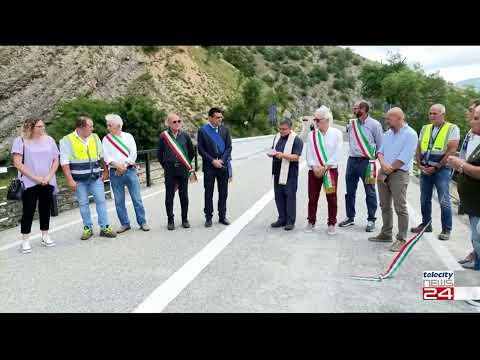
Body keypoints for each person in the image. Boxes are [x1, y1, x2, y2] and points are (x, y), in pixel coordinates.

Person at [368, 108, 418, 252]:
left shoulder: (411, 134)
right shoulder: (388, 134)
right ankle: (386, 233)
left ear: (399, 118)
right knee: (384, 205)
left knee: (400, 207)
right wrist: (383, 166)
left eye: (389, 118)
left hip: (399, 174)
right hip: (384, 172)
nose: (386, 121)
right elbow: (380, 152)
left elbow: (405, 156)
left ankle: (401, 239)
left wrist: (389, 169)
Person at [60, 116, 117, 240]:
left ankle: (104, 227)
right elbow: (64, 162)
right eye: (90, 126)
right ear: (81, 127)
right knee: (83, 204)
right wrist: (69, 180)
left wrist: (105, 170)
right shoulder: (66, 140)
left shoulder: (95, 137)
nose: (93, 128)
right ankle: (87, 228)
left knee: (101, 201)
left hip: (95, 177)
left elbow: (102, 156)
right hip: (79, 180)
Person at [411, 104, 460, 240]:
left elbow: (451, 150)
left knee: (444, 199)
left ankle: (446, 229)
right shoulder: (425, 128)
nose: (431, 116)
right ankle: (426, 225)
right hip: (425, 169)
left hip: (441, 170)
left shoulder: (452, 128)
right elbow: (419, 146)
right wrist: (419, 163)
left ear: (442, 114)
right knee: (424, 199)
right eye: (430, 113)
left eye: (434, 114)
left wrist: (437, 167)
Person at [11, 117, 59, 253]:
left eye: (43, 126)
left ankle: (45, 235)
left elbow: (56, 160)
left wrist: (48, 177)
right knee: (28, 210)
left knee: (45, 208)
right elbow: (17, 163)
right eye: (39, 127)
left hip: (48, 180)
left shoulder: (49, 140)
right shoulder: (20, 141)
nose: (42, 129)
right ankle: (25, 240)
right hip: (29, 182)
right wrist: (36, 178)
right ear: (31, 127)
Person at [339, 100, 383, 232]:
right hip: (352, 161)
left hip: (367, 162)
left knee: (370, 191)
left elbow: (380, 144)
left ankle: (371, 220)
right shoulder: (352, 123)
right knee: (350, 191)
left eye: (356, 108)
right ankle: (350, 217)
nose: (353, 110)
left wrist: (374, 158)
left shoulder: (375, 125)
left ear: (363, 109)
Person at [102, 114, 150, 233]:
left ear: (118, 126)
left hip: (129, 170)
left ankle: (142, 221)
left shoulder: (128, 137)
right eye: (107, 125)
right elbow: (106, 156)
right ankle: (125, 223)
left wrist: (124, 166)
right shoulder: (106, 139)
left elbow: (133, 153)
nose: (107, 127)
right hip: (115, 172)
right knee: (119, 200)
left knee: (137, 198)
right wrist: (117, 166)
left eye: (110, 125)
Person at [448, 103, 480, 271]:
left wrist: (461, 165)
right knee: (476, 235)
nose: (471, 120)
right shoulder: (471, 134)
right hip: (471, 198)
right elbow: (466, 155)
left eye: (475, 117)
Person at [305, 106, 343, 235]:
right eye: (315, 119)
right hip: (314, 170)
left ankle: (332, 223)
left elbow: (337, 153)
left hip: (330, 170)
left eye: (318, 120)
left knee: (331, 198)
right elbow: (309, 153)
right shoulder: (312, 135)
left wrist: (325, 167)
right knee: (312, 197)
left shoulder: (337, 133)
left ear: (326, 120)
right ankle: (311, 221)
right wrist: (314, 166)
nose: (315, 122)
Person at [157, 112, 195, 230]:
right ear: (168, 123)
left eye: (179, 121)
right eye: (174, 122)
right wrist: (167, 165)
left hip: (183, 169)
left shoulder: (185, 135)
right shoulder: (163, 137)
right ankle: (170, 220)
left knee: (184, 195)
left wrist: (186, 164)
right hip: (170, 170)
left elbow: (191, 152)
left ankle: (184, 219)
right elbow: (159, 155)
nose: (177, 124)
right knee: (169, 196)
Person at [197, 108, 232, 227]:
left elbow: (229, 147)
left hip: (223, 165)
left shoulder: (225, 130)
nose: (220, 119)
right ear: (210, 118)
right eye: (217, 117)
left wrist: (221, 160)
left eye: (221, 117)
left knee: (223, 193)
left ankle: (222, 216)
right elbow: (201, 149)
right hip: (209, 166)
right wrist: (212, 161)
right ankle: (208, 217)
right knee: (209, 192)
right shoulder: (203, 131)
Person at [268, 118, 304, 231]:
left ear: (290, 128)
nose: (281, 131)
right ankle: (281, 218)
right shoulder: (277, 136)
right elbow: (274, 148)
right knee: (278, 196)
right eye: (280, 129)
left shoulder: (297, 140)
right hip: (277, 171)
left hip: (290, 173)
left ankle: (290, 221)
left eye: (284, 129)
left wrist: (282, 155)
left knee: (290, 197)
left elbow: (296, 157)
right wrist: (272, 153)